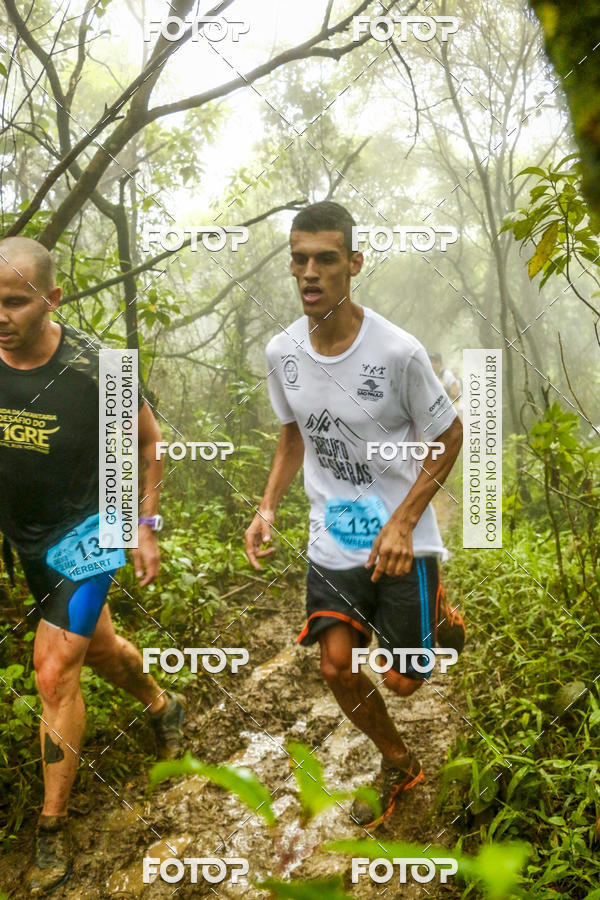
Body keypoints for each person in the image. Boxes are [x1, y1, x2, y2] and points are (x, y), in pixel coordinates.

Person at [244, 201, 465, 828]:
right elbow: (293, 436)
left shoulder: (398, 352)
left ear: (353, 264)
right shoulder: (282, 351)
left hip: (404, 538)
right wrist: (266, 508)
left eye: (326, 259)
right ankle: (400, 763)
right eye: (299, 260)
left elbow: (448, 438)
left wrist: (401, 522)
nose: (310, 272)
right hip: (332, 535)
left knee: (402, 680)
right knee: (335, 666)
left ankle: (441, 614)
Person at [0, 237, 184, 895]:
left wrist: (143, 526)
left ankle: (51, 832)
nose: (1, 315)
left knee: (52, 672)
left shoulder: (95, 368)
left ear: (52, 299)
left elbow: (148, 443)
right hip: (23, 538)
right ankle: (162, 704)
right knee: (102, 651)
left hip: (90, 532)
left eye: (15, 302)